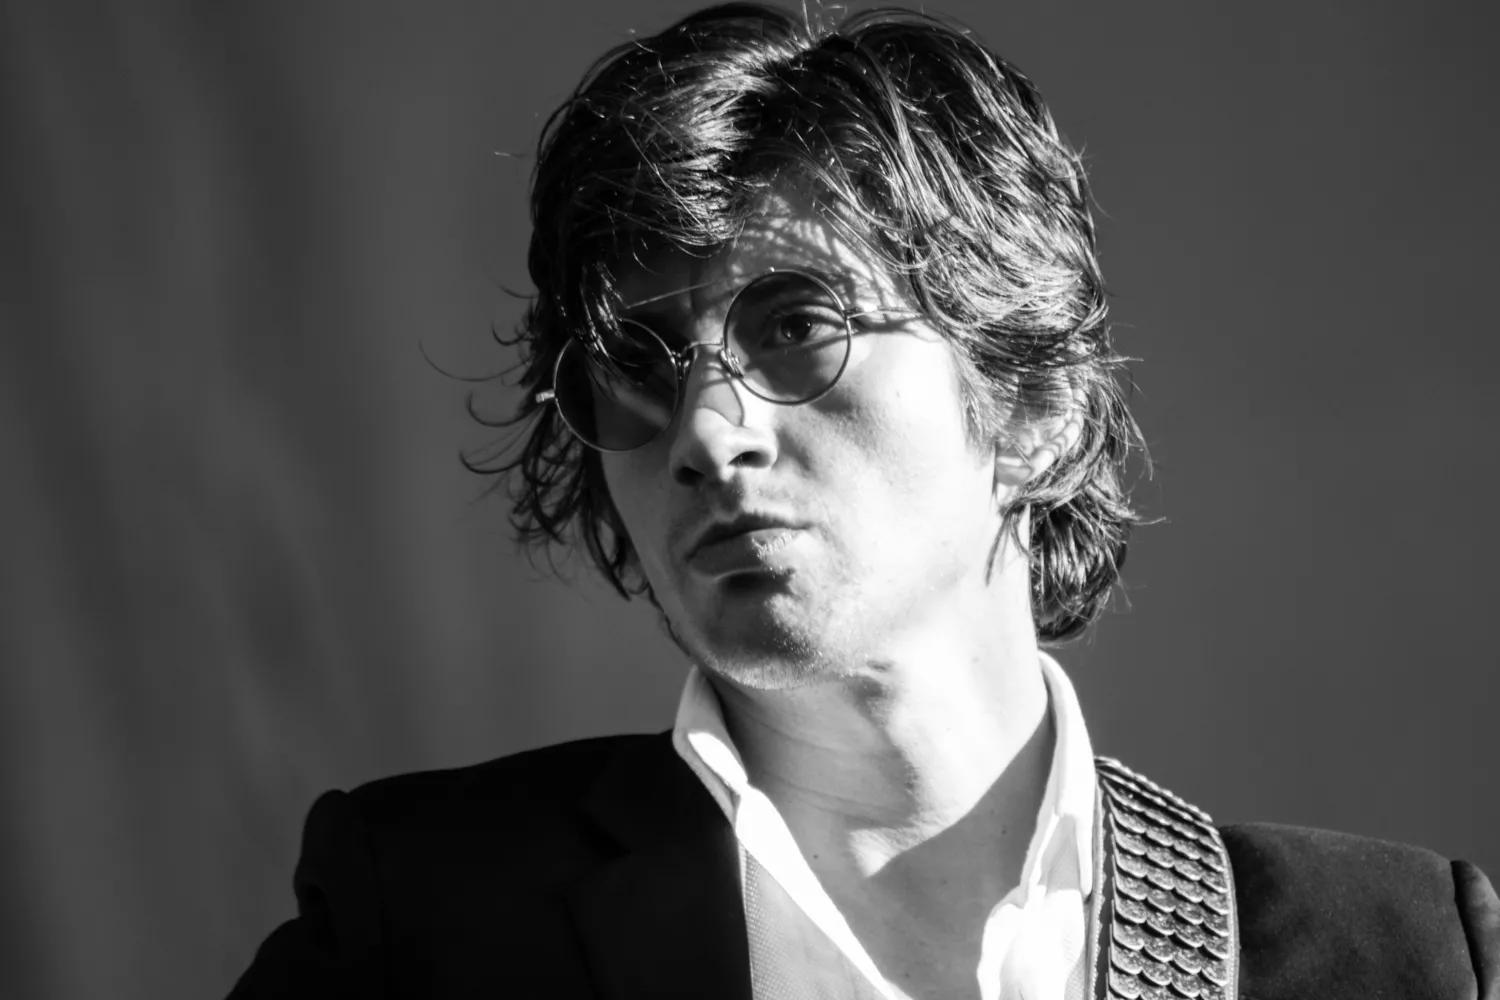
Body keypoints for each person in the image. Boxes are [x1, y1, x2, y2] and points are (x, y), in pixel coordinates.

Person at [227, 4, 1498, 998]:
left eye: (796, 324)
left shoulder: (1407, 955)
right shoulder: (425, 925)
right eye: (638, 366)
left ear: (1035, 403)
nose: (706, 430)